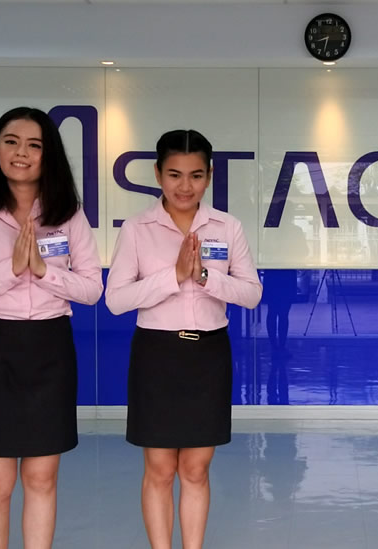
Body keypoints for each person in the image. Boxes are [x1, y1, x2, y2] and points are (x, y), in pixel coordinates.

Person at [0, 107, 103, 549]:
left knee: (42, 479)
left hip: (50, 348)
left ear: (49, 154)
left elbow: (91, 290)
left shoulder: (69, 213)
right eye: (11, 141)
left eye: (34, 144)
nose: (21, 153)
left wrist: (44, 272)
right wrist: (8, 271)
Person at [105, 129, 262, 549]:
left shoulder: (227, 227)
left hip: (207, 355)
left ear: (209, 175)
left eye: (195, 175)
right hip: (156, 354)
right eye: (174, 175)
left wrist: (205, 276)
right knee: (159, 468)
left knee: (195, 468)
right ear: (158, 174)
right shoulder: (137, 229)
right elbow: (116, 300)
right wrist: (172, 276)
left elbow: (251, 294)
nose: (185, 186)